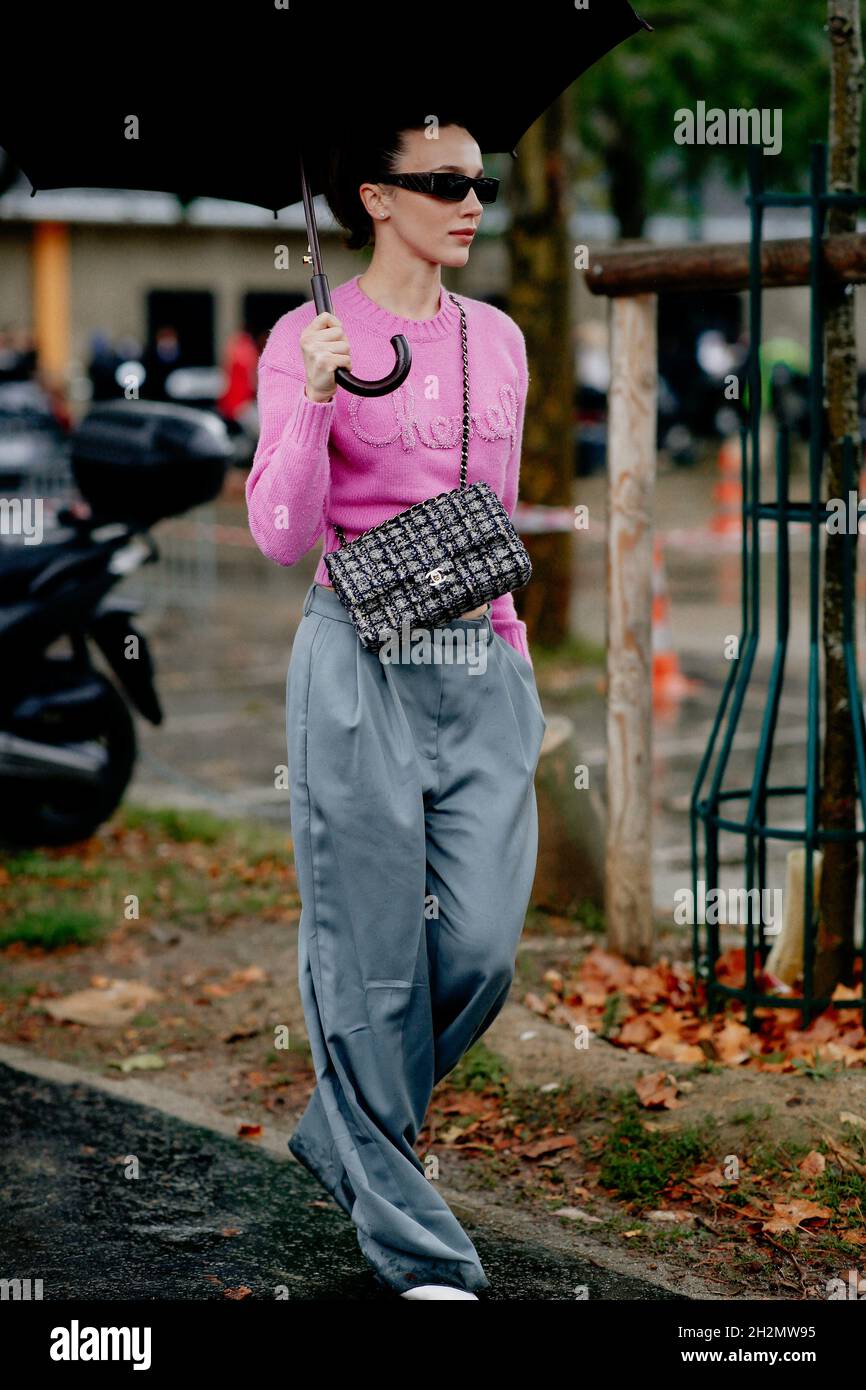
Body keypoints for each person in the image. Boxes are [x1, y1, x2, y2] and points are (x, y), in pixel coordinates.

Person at [245, 114, 546, 1300]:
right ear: (372, 197)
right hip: (354, 663)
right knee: (366, 956)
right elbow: (279, 533)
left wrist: (510, 673)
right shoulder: (303, 336)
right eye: (442, 183)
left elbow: (497, 518)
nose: (471, 201)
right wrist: (315, 396)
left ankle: (344, 1128)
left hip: (479, 659)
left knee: (474, 944)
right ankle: (421, 1255)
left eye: (481, 181)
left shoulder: (502, 339)